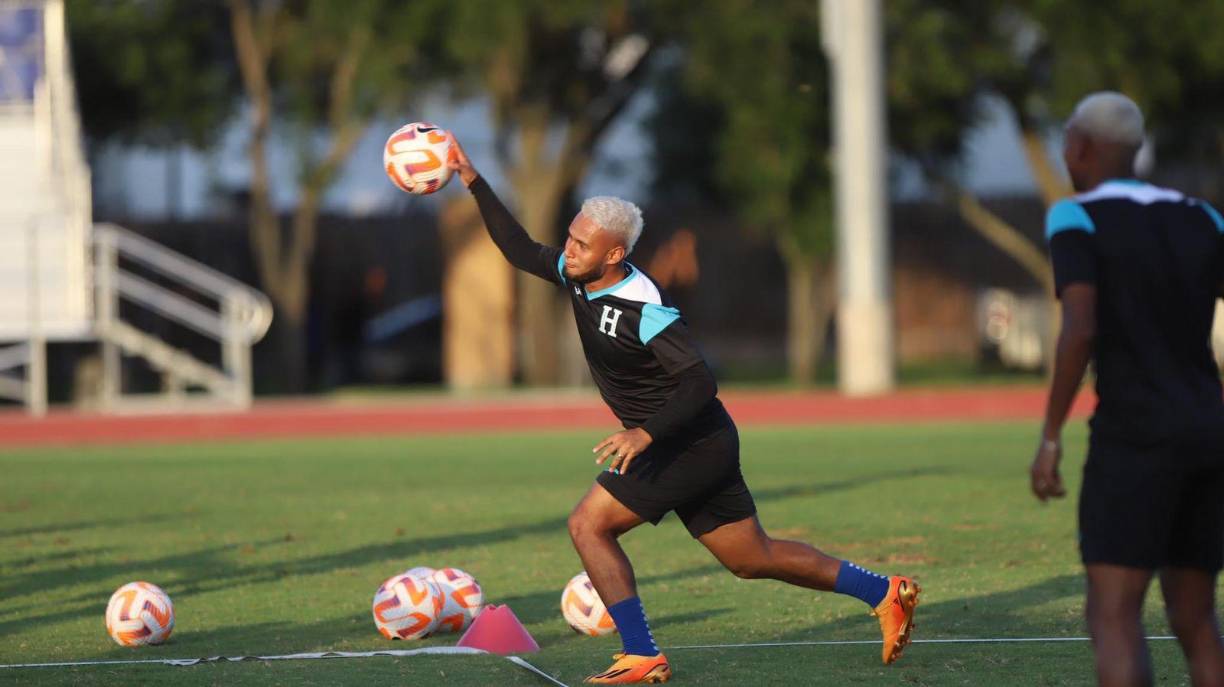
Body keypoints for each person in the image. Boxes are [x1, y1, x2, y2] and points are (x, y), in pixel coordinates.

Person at [447, 134, 920, 684]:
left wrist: (645, 434)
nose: (568, 250)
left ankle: (643, 654)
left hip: (685, 442)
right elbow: (519, 248)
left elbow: (700, 382)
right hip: (700, 442)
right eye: (571, 238)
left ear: (614, 255)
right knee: (752, 559)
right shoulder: (579, 275)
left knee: (588, 526)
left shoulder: (643, 306)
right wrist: (472, 178)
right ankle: (886, 592)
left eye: (581, 244)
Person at [1031, 92, 1224, 687]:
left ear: (1082, 147)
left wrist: (1051, 436)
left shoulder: (1075, 215)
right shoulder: (1203, 215)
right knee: (1196, 615)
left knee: (1113, 614)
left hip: (1134, 433)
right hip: (1209, 430)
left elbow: (1080, 328)